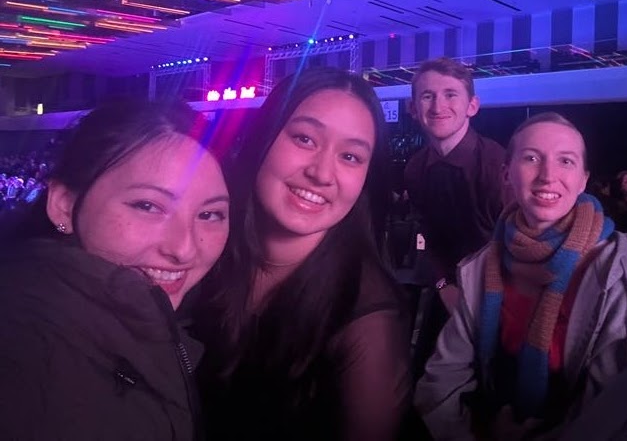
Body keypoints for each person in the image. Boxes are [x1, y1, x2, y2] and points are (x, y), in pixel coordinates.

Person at [414, 112, 627, 439]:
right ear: (506, 173)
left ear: (583, 180)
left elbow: (614, 419)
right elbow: (440, 382)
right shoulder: (481, 267)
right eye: (532, 158)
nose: (548, 176)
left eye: (566, 161)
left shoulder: (618, 278)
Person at [196, 67, 410, 441]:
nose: (322, 173)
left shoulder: (366, 322)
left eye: (350, 157)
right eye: (305, 139)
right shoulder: (203, 248)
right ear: (265, 136)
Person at [0, 99, 230, 440]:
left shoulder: (173, 323)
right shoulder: (22, 345)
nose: (184, 249)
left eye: (210, 214)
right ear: (64, 205)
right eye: (147, 206)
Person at [404, 58, 506, 377]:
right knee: (420, 374)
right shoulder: (415, 169)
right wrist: (444, 284)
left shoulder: (496, 164)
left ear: (472, 106)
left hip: (503, 291)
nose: (438, 107)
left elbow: (519, 241)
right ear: (412, 109)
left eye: (450, 94)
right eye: (427, 96)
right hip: (449, 287)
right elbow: (430, 238)